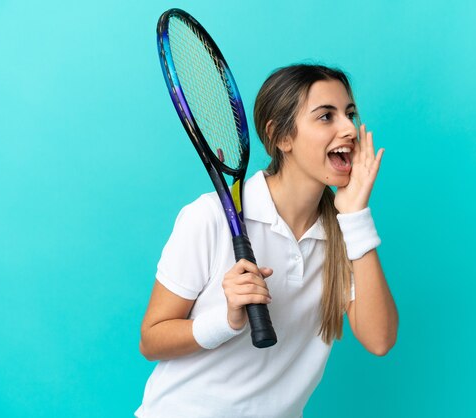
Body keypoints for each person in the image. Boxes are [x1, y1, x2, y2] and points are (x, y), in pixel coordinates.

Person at [135, 64, 398, 418]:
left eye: (350, 114)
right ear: (281, 137)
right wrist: (226, 320)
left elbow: (379, 339)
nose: (350, 129)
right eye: (326, 116)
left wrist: (355, 215)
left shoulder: (345, 232)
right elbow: (152, 339)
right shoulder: (210, 217)